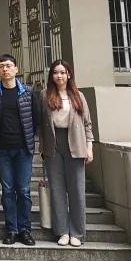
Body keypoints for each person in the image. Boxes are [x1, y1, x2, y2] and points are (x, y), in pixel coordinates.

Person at [0, 53, 43, 246]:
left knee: (24, 190)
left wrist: (30, 140)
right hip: (2, 148)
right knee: (8, 190)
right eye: (1, 66)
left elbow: (36, 119)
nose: (5, 69)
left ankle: (25, 229)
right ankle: (11, 229)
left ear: (16, 69)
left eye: (8, 66)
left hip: (23, 149)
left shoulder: (28, 92)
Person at [41, 59, 94, 247]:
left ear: (69, 74)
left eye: (63, 72)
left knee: (77, 190)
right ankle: (62, 231)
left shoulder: (78, 96)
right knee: (57, 190)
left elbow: (87, 123)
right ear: (51, 76)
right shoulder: (45, 95)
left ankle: (77, 232)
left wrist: (89, 147)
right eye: (56, 72)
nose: (59, 76)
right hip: (54, 145)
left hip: (76, 144)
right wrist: (42, 148)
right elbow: (41, 124)